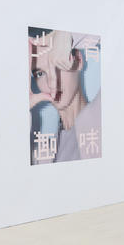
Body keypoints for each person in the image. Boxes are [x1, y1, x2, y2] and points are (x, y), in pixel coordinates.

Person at [28, 29, 101, 164]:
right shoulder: (41, 153)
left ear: (78, 61)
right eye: (40, 73)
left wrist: (68, 35)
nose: (51, 83)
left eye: (58, 65)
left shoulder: (103, 114)